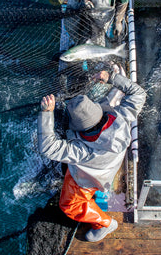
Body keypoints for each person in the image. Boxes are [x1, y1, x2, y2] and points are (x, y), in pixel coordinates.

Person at [37, 70, 146, 242]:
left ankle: (105, 224)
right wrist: (111, 77)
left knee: (69, 206)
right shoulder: (121, 117)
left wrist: (46, 113)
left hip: (88, 180)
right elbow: (138, 93)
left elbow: (48, 147)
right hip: (107, 167)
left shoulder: (82, 151)